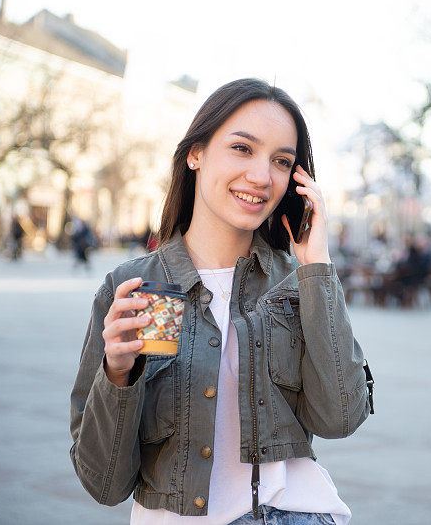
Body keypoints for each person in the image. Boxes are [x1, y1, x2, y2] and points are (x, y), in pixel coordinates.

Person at [69, 78, 373, 525]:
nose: (261, 176)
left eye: (281, 161)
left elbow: (341, 418)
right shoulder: (145, 289)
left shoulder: (296, 283)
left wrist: (317, 269)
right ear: (196, 153)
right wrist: (117, 374)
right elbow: (106, 483)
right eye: (242, 149)